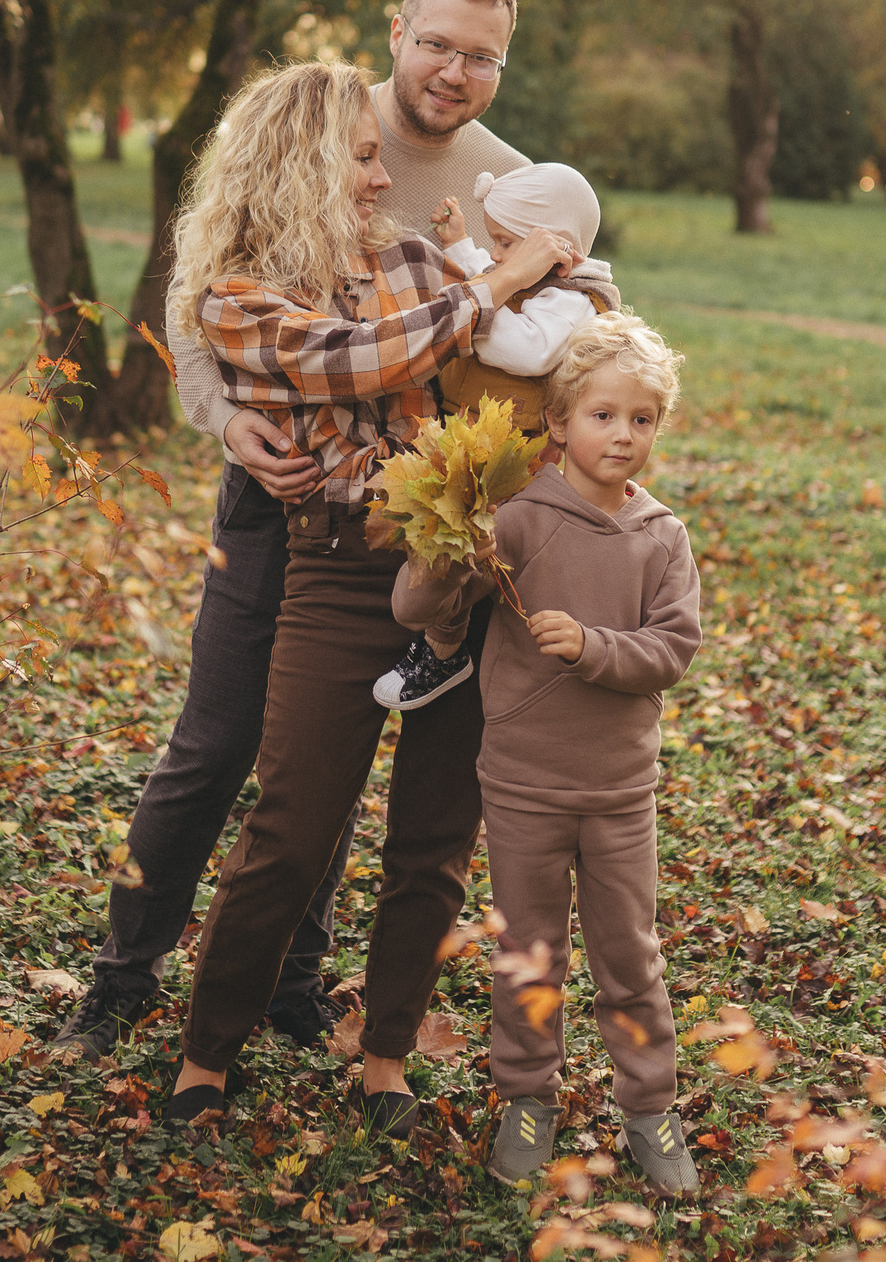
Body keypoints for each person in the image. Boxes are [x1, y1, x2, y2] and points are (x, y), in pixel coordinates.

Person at [53, 0, 532, 1059]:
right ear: (397, 26)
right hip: (269, 489)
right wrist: (226, 422)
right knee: (215, 744)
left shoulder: (505, 182)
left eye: (481, 56)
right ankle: (122, 974)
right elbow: (195, 301)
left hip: (388, 502)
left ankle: (290, 984)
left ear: (503, 63)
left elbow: (529, 333)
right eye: (436, 42)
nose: (452, 72)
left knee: (320, 754)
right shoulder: (306, 121)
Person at [163, 59, 579, 1135]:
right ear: (298, 164)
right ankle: (207, 1054)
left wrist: (557, 284)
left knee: (435, 832)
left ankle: (385, 1054)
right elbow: (360, 360)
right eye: (354, 158)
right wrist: (491, 284)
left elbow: (537, 339)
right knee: (295, 819)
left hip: (468, 562)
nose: (372, 175)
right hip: (341, 559)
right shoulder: (238, 294)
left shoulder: (410, 252)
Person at [392, 313, 702, 1194]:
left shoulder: (660, 537)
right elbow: (418, 610)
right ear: (559, 423)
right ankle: (529, 1096)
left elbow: (674, 648)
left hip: (618, 789)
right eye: (604, 416)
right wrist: (444, 539)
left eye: (642, 420)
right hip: (524, 783)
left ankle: (650, 1107)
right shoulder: (518, 521)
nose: (624, 436)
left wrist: (596, 646)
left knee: (629, 954)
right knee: (528, 951)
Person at [373, 163, 619, 712]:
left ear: (560, 248)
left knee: (469, 559)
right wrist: (464, 247)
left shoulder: (573, 299)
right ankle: (444, 641)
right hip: (476, 449)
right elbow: (494, 275)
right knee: (451, 549)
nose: (500, 256)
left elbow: (524, 349)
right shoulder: (539, 276)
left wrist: (470, 307)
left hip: (520, 467)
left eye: (507, 242)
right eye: (497, 241)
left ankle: (443, 645)